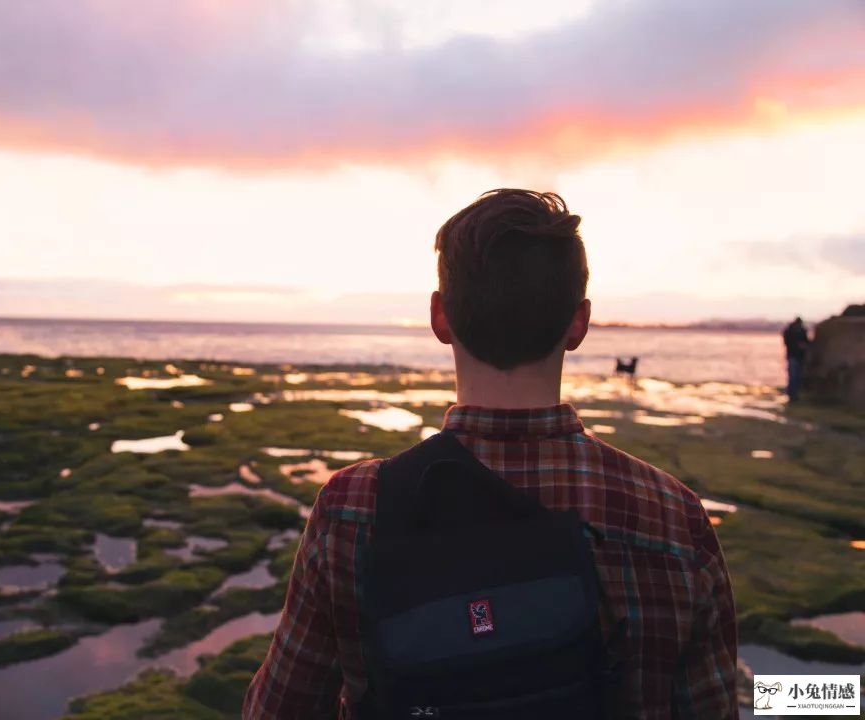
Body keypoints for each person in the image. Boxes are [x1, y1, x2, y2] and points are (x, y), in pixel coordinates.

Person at [244, 190, 737, 718]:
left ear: (440, 317)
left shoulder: (350, 510)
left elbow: (277, 710)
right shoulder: (673, 515)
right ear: (579, 322)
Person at [782, 317, 809, 402]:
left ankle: (793, 394)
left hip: (796, 356)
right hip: (794, 356)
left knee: (795, 376)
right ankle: (792, 394)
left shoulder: (799, 331)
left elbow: (806, 342)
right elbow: (788, 343)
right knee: (793, 376)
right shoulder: (792, 332)